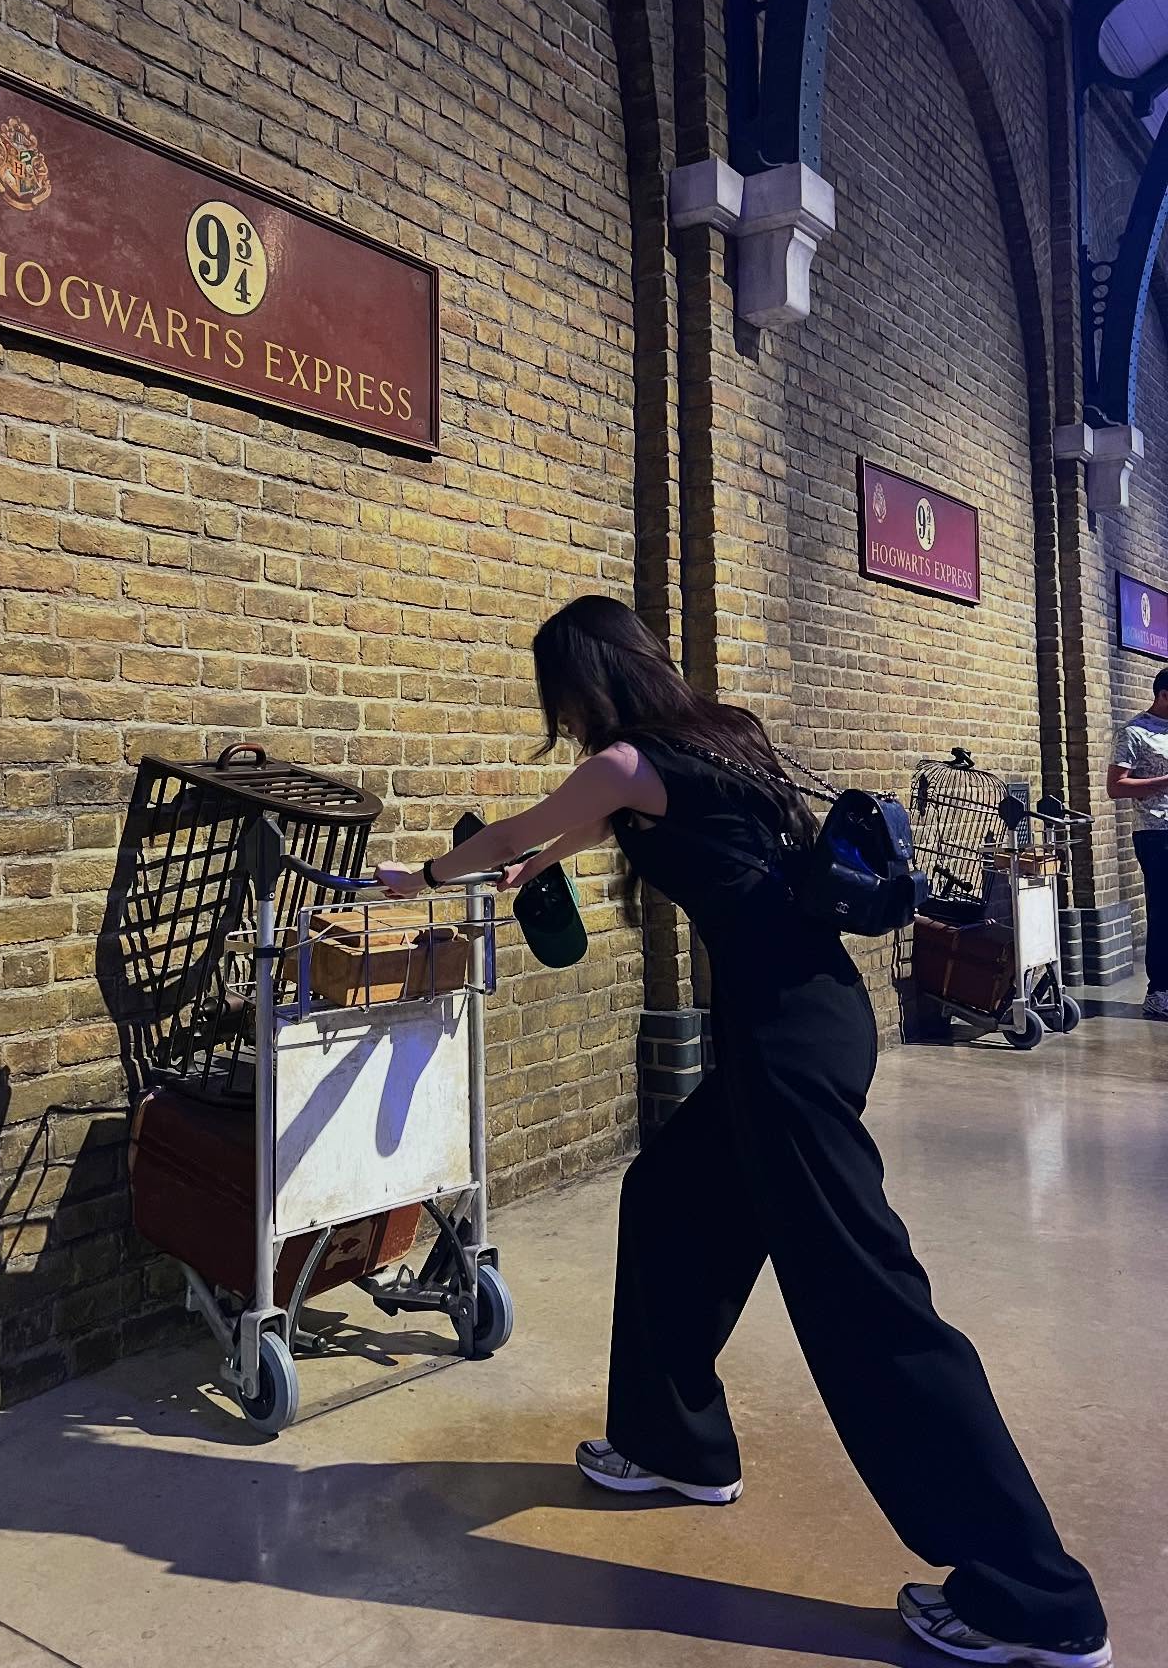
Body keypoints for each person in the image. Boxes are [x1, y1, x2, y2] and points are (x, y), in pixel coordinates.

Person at [375, 597, 1110, 1668]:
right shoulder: (720, 737)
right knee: (670, 1198)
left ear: (584, 684)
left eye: (559, 699)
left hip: (782, 1048)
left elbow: (519, 831)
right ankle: (671, 1442)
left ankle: (1034, 1596)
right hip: (815, 1018)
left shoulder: (625, 764)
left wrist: (425, 878)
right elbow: (582, 832)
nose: (561, 719)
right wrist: (532, 862)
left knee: (866, 1299)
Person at [1107, 667, 1168, 1020]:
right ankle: (1158, 993)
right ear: (1163, 695)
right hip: (1157, 834)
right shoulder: (1134, 732)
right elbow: (1115, 786)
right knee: (1163, 913)